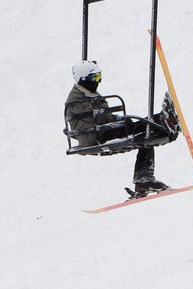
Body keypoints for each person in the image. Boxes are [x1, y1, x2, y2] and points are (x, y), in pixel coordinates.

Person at [64, 60, 179, 197]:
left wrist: (117, 120)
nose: (98, 81)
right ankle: (164, 122)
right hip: (95, 138)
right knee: (141, 132)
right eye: (95, 77)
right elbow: (90, 126)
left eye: (99, 76)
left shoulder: (87, 94)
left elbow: (102, 117)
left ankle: (164, 123)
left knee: (141, 131)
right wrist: (114, 124)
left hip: (101, 132)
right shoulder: (78, 101)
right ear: (83, 79)